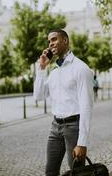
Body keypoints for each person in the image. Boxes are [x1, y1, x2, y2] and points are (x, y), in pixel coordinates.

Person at [34, 29, 93, 176]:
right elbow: (38, 96)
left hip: (74, 127)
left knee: (77, 173)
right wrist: (41, 68)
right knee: (50, 171)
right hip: (55, 127)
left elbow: (86, 106)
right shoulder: (54, 72)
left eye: (54, 39)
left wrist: (82, 143)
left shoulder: (81, 68)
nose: (50, 44)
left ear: (65, 40)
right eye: (49, 41)